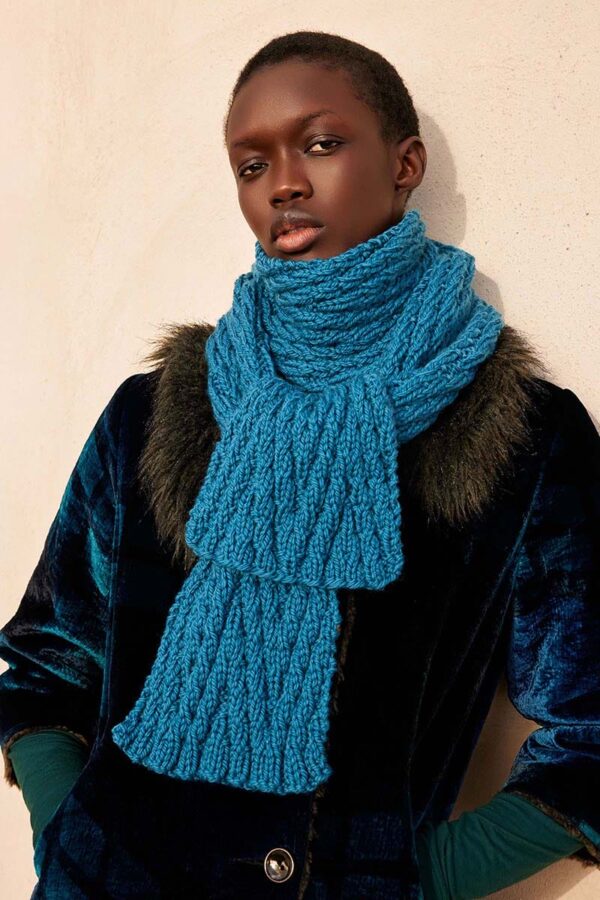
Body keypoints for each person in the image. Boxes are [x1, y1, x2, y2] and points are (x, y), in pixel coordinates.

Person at [1, 29, 599, 900]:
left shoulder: (519, 434)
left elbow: (591, 727)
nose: (282, 183)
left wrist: (418, 877)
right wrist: (70, 834)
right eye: (251, 165)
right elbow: (48, 662)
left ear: (405, 163)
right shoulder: (155, 413)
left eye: (320, 144)